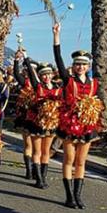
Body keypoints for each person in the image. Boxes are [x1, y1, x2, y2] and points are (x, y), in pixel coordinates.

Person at [53, 22, 98, 209]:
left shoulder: (94, 83)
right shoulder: (68, 80)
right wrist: (56, 37)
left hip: (86, 125)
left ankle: (78, 195)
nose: (80, 67)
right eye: (77, 64)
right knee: (69, 158)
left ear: (88, 66)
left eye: (83, 64)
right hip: (69, 124)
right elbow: (58, 60)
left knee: (81, 161)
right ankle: (69, 195)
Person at [24, 56, 62, 190]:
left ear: (52, 74)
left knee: (46, 151)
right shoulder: (38, 86)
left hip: (51, 124)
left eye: (48, 74)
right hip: (37, 123)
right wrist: (26, 59)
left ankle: (43, 176)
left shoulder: (58, 88)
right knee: (37, 151)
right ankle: (38, 179)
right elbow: (31, 73)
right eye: (43, 75)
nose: (46, 77)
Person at [13, 52, 36, 180]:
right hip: (26, 117)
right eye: (27, 70)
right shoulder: (25, 82)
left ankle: (36, 168)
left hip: (39, 118)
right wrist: (17, 60)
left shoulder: (41, 84)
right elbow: (16, 74)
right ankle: (28, 169)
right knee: (28, 144)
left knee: (37, 146)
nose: (29, 72)